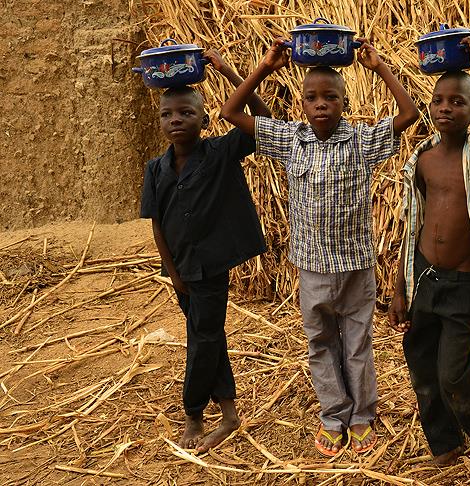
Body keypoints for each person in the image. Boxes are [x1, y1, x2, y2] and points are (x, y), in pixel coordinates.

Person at [220, 37, 419, 456]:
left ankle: (362, 415)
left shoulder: (361, 142)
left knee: (358, 343)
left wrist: (379, 67)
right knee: (321, 344)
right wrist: (265, 67)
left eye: (331, 97)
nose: (321, 104)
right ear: (302, 105)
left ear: (345, 102)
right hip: (311, 269)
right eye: (311, 98)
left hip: (355, 266)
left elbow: (409, 114)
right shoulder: (290, 139)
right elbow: (230, 112)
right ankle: (334, 415)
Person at [387, 36, 470, 483]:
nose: (446, 108)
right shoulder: (421, 159)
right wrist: (399, 288)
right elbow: (412, 228)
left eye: (458, 102)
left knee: (453, 374)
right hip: (424, 275)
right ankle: (445, 444)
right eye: (439, 100)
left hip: (462, 285)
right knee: (422, 368)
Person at [139, 49, 270, 453]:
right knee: (208, 337)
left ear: (204, 119)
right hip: (180, 271)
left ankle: (193, 413)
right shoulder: (155, 169)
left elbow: (263, 123)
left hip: (211, 268)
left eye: (185, 113)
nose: (175, 120)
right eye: (167, 114)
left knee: (202, 339)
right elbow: (157, 224)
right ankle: (229, 413)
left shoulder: (219, 153)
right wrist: (171, 271)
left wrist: (230, 71)